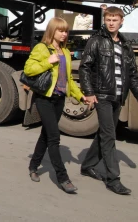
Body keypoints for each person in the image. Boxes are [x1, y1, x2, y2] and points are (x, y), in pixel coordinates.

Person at [79, 6, 138, 196]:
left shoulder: (125, 45)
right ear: (105, 20)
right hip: (102, 96)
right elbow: (85, 67)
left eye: (114, 20)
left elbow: (133, 74)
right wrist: (89, 92)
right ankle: (113, 179)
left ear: (121, 21)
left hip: (118, 96)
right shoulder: (96, 41)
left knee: (105, 132)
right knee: (109, 135)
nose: (111, 23)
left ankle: (88, 165)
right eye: (108, 19)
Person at [25, 17, 87, 194]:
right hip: (44, 98)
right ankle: (63, 178)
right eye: (61, 30)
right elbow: (28, 69)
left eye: (66, 31)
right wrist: (48, 62)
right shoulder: (42, 48)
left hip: (59, 99)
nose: (64, 34)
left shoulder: (65, 52)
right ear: (52, 31)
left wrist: (81, 97)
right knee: (54, 137)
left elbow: (68, 81)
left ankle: (33, 166)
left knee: (46, 134)